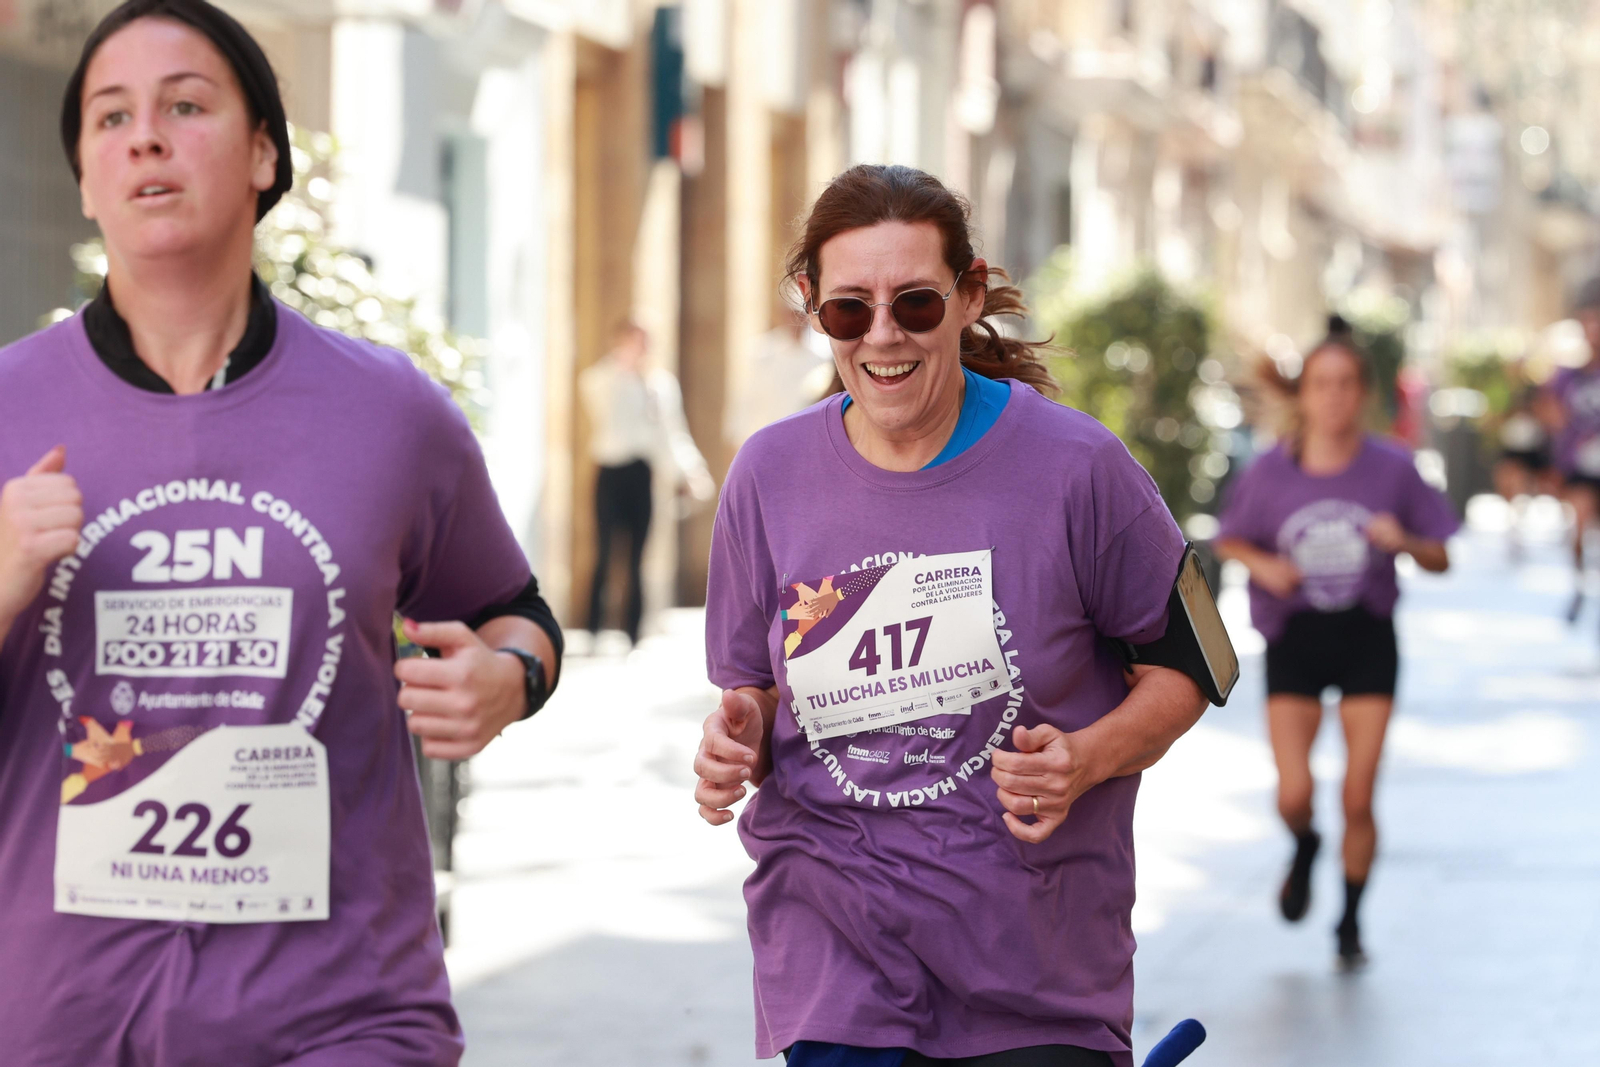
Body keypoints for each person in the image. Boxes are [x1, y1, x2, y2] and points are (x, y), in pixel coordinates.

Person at [0, 2, 561, 1063]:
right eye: (111, 117)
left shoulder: (390, 412)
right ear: (84, 175)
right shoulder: (4, 409)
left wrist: (509, 676)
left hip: (343, 1015)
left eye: (186, 105)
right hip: (61, 1024)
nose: (147, 137)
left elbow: (514, 613)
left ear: (264, 152)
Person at [691, 164, 1209, 1067]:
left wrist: (1086, 758)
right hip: (836, 941)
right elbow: (758, 687)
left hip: (1032, 968)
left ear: (968, 297)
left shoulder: (1078, 467)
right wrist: (741, 730)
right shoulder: (767, 475)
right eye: (850, 309)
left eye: (916, 304)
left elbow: (1195, 665)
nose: (882, 335)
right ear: (813, 306)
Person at [1215, 319, 1458, 970]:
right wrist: (1263, 567)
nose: (1335, 397)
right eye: (1323, 384)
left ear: (1364, 394)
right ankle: (1304, 843)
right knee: (1294, 792)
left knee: (1358, 793)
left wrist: (1402, 540)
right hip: (1295, 636)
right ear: (1305, 394)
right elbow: (1230, 538)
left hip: (1365, 635)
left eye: (1348, 384)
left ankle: (1349, 920)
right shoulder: (1272, 470)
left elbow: (1440, 555)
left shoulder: (1394, 469)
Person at [579, 320, 712, 647]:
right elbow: (596, 399)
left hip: (642, 472)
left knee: (639, 554)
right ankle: (594, 627)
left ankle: (633, 631)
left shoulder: (660, 385)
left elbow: (672, 432)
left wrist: (692, 471)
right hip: (610, 470)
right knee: (605, 549)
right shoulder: (603, 378)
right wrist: (625, 371)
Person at [1539, 279, 1600, 622]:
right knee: (1578, 522)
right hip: (1580, 468)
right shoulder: (1567, 377)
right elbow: (1555, 425)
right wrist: (1556, 468)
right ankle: (1579, 583)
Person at [724, 308, 834, 447]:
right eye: (791, 314)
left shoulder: (825, 355)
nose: (796, 320)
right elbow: (747, 399)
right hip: (766, 441)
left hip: (807, 442)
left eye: (800, 315)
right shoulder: (763, 352)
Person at [1493, 381, 1556, 560]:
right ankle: (1515, 529)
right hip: (1514, 459)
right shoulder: (1510, 420)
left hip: (1531, 462)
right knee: (1511, 490)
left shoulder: (1539, 422)